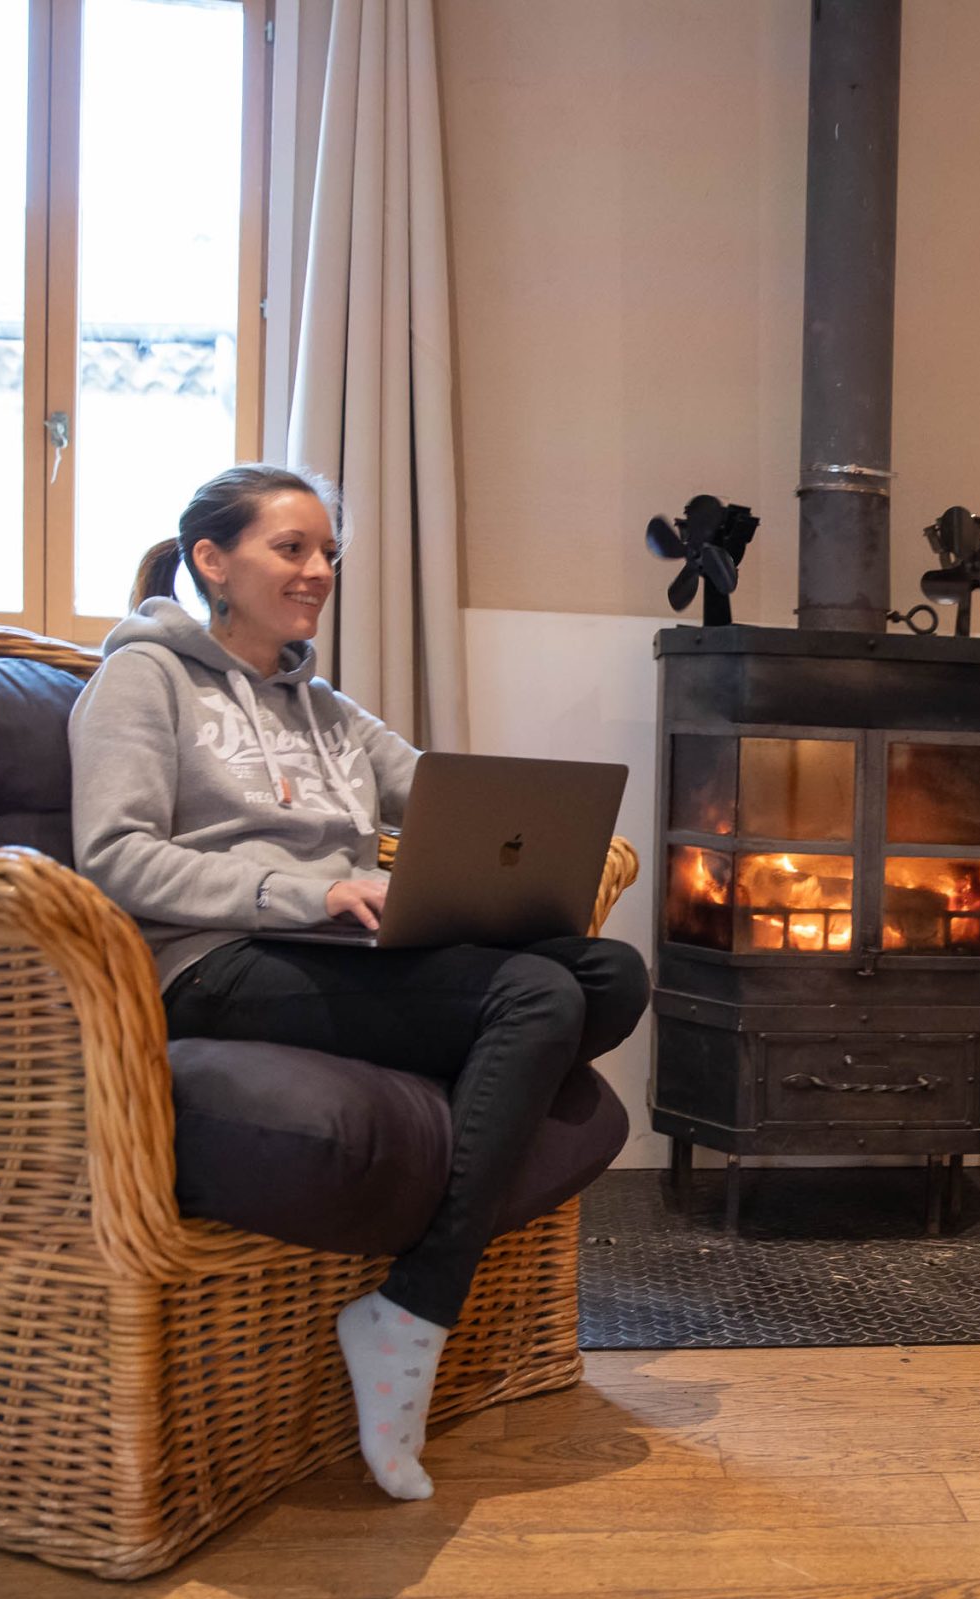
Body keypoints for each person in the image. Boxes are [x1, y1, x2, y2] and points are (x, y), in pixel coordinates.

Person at [69, 463, 648, 1501]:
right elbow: (115, 858)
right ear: (213, 559)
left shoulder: (324, 706)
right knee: (539, 999)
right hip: (212, 963)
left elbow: (447, 793)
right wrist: (313, 896)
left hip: (338, 950)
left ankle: (423, 1254)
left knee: (605, 971)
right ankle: (415, 1311)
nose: (319, 570)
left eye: (328, 551)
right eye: (292, 548)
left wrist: (498, 862)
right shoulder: (143, 679)